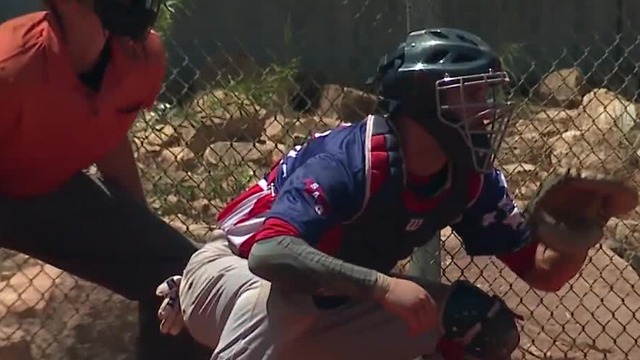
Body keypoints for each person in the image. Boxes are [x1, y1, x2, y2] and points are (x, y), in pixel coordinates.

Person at [155, 28, 594, 360]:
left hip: (335, 304)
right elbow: (270, 253)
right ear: (425, 102)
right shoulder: (351, 160)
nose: (487, 108)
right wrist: (383, 285)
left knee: (482, 324)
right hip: (228, 279)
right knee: (296, 298)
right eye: (471, 92)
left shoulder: (469, 177)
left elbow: (544, 272)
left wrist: (583, 227)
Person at [0, 1, 209, 359]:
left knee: (184, 280)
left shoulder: (140, 57)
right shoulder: (12, 67)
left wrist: (141, 237)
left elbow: (106, 129)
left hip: (47, 186)